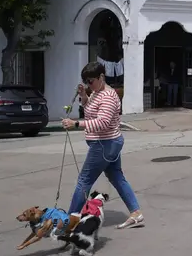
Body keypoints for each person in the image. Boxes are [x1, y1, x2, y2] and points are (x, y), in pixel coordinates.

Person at [61, 61, 143, 229]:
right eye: (86, 82)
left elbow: (102, 122)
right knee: (116, 177)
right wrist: (84, 95)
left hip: (104, 144)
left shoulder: (108, 96)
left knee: (84, 180)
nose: (88, 85)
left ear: (101, 77)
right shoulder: (97, 93)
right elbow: (90, 109)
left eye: (91, 81)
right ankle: (136, 212)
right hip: (108, 143)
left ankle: (69, 222)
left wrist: (76, 124)